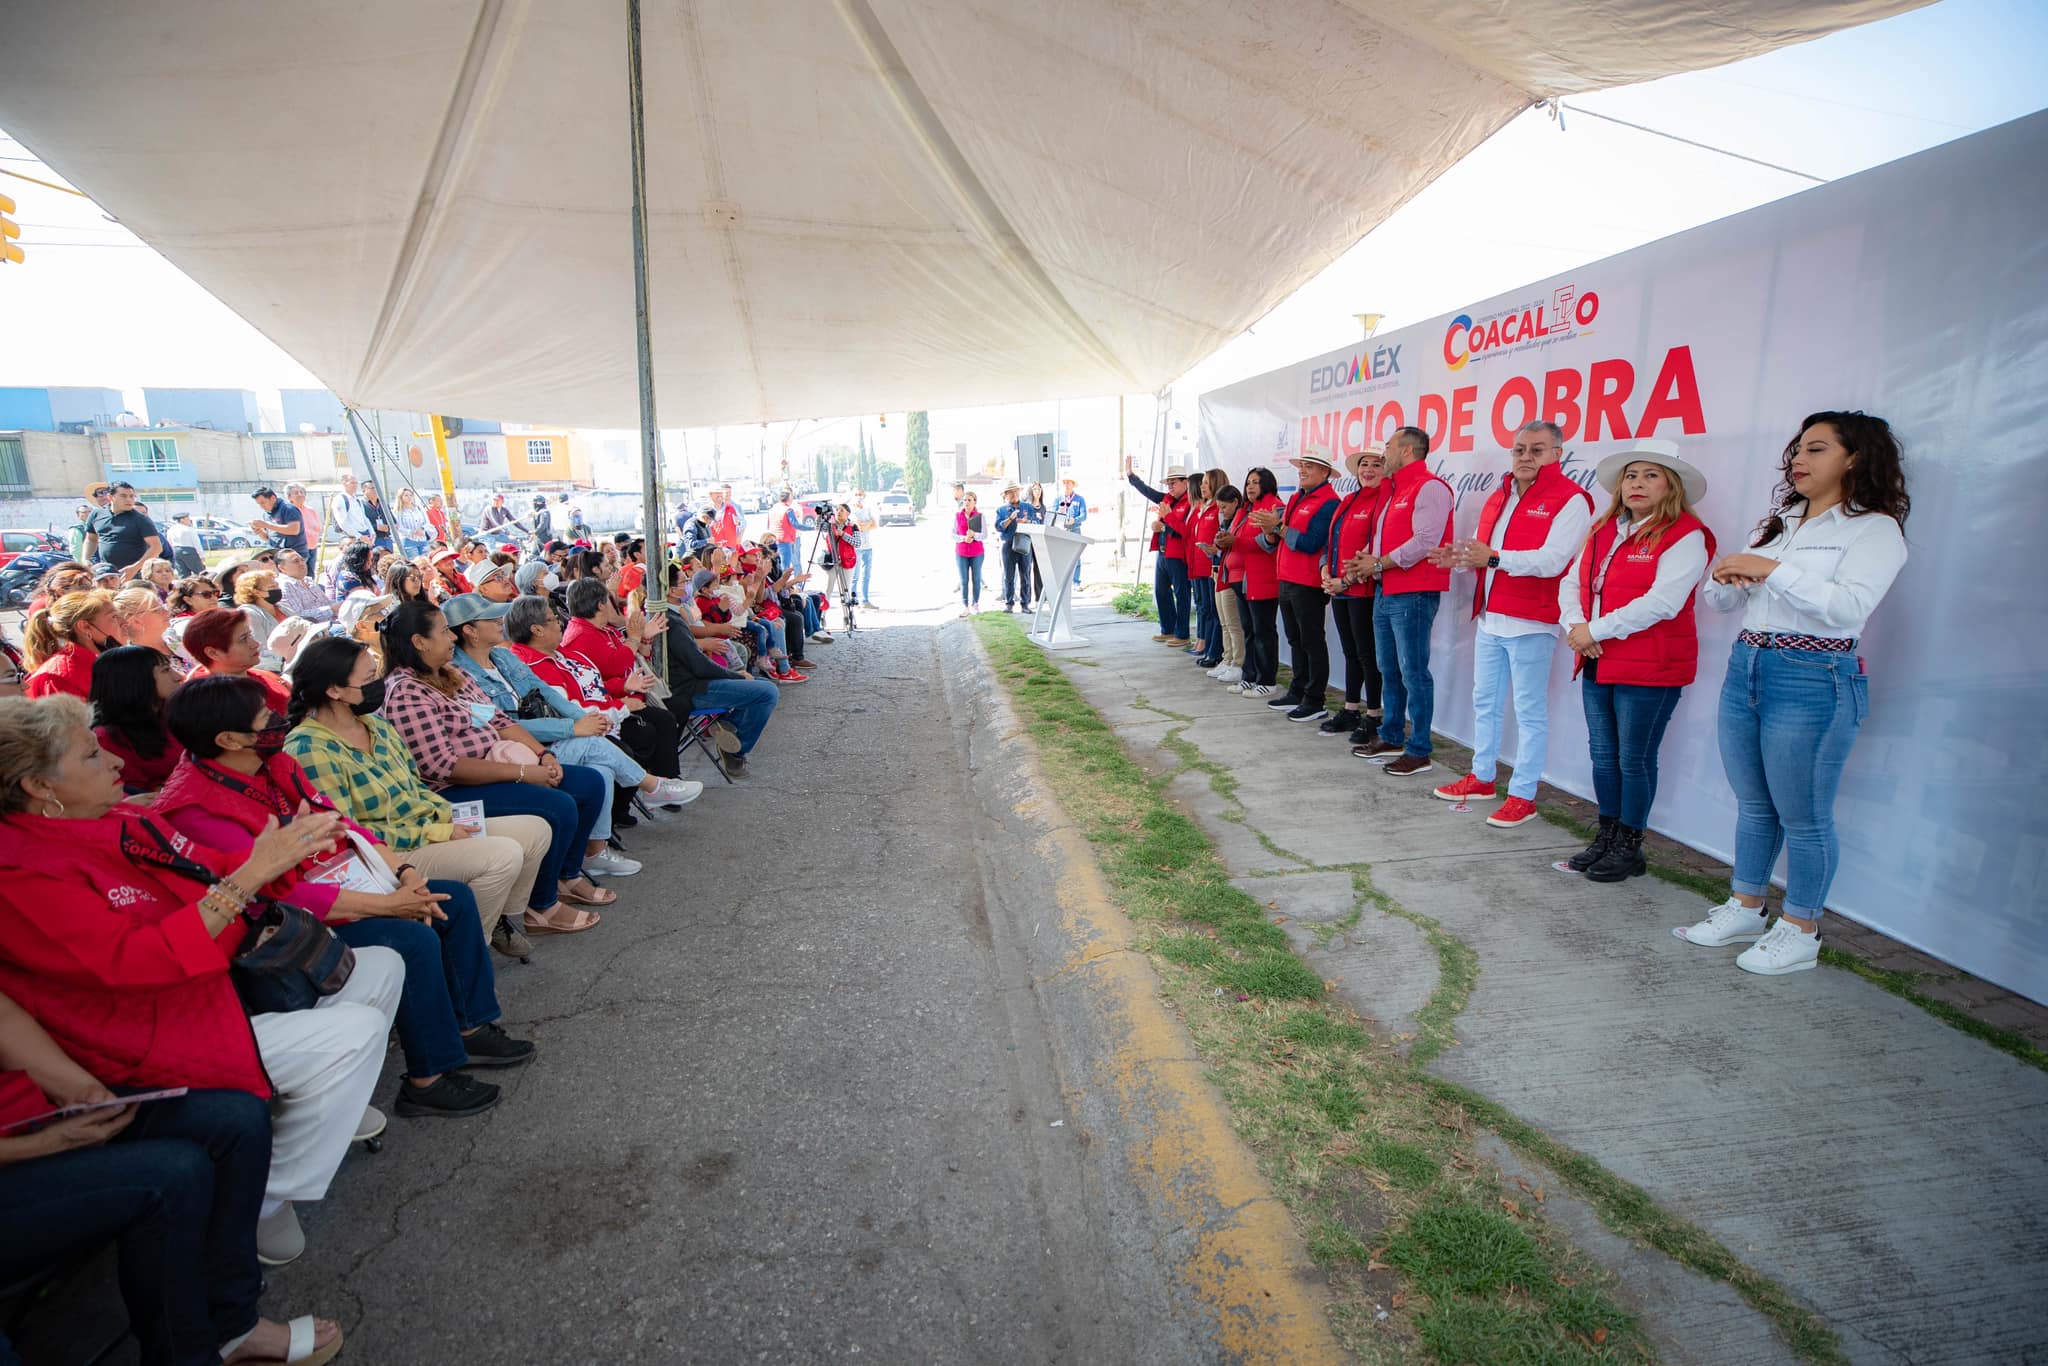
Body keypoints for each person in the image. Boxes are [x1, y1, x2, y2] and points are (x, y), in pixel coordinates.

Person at [0, 692, 400, 1276]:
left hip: (215, 990)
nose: (113, 762)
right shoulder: (22, 874)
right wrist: (256, 870)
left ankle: (305, 1129)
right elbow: (138, 963)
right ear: (40, 786)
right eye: (91, 756)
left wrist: (285, 854)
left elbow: (215, 866)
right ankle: (263, 1192)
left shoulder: (120, 819)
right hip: (145, 1039)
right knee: (356, 1031)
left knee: (384, 965)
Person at [155, 676, 529, 1119]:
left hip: (341, 880)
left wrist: (404, 873)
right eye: (264, 717)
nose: (279, 720)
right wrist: (390, 905)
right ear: (228, 738)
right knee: (411, 937)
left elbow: (343, 823)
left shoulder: (272, 763)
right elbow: (274, 894)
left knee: (453, 901)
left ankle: (470, 1026)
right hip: (277, 922)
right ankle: (428, 1077)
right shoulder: (198, 809)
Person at [1677, 411, 1911, 976]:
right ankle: (1746, 905)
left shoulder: (1874, 528)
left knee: (1804, 815)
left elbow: (1849, 608)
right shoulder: (1782, 520)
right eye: (1797, 450)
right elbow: (1725, 603)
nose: (1798, 460)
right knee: (1755, 803)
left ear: (1854, 458)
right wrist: (1727, 578)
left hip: (1813, 675)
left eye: (1816, 449)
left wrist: (1771, 569)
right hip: (1748, 664)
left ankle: (1802, 928)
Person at [0, 988, 345, 1366]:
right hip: (19, 1156)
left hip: (27, 1118)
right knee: (171, 1176)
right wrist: (50, 1142)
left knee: (238, 1122)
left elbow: (4, 1017)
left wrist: (81, 1091)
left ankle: (234, 1326)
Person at [285, 637, 553, 962]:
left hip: (424, 826)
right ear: (334, 691)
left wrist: (449, 818)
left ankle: (492, 919)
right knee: (503, 855)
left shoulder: (375, 725)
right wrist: (439, 832)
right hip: (393, 853)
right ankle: (469, 952)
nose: (377, 685)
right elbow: (352, 835)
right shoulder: (310, 750)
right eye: (368, 679)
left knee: (536, 830)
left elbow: (415, 788)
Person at [378, 601, 614, 933]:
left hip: (497, 765)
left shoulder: (451, 673)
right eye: (444, 631)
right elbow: (442, 766)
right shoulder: (406, 692)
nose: (451, 638)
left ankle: (566, 876)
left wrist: (543, 757)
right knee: (558, 805)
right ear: (419, 642)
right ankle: (541, 906)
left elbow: (500, 720)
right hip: (452, 793)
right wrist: (522, 773)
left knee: (588, 784)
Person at [1558, 440, 1716, 882]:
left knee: (1634, 758)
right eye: (1631, 475)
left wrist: (1595, 630)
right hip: (1598, 658)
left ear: (1672, 486)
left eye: (1651, 475)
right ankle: (1608, 836)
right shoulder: (1603, 528)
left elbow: (1662, 603)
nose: (1638, 484)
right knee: (1603, 756)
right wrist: (1576, 626)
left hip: (1651, 666)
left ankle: (1630, 844)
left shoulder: (1686, 535)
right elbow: (1572, 582)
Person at [448, 594, 698, 870]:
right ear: (469, 631)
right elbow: (502, 724)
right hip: (512, 754)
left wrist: (584, 719)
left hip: (542, 740)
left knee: (601, 770)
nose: (499, 622)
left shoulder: (502, 657)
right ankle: (651, 785)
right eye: (490, 618)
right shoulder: (459, 675)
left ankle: (594, 853)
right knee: (598, 743)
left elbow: (548, 694)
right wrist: (575, 726)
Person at [1427, 421, 1594, 826]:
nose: (1525, 457)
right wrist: (1464, 558)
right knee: (1484, 701)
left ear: (1557, 454)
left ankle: (1524, 795)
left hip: (1533, 622)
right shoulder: (1500, 494)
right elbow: (1487, 553)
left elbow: (1555, 560)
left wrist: (1494, 558)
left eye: (1536, 450)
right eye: (1519, 449)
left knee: (1529, 711)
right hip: (1491, 616)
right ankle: (1483, 776)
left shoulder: (1572, 499)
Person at [1349, 426, 1453, 777]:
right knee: (1389, 669)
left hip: (1414, 593)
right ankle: (1391, 736)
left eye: (1389, 446)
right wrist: (1366, 561)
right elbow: (1387, 541)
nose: (1384, 453)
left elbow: (1425, 541)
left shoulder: (1430, 487)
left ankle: (1419, 749)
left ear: (1407, 450)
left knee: (1413, 672)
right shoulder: (1395, 490)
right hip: (1386, 589)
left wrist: (1377, 563)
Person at [656, 577, 781, 778]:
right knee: (767, 692)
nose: (688, 583)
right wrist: (736, 676)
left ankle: (728, 726)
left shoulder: (672, 615)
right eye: (683, 581)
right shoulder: (671, 621)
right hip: (690, 689)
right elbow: (699, 665)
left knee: (762, 684)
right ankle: (736, 750)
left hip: (695, 682)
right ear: (671, 591)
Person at [1260, 451, 1340, 723]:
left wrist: (1278, 529)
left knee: (1311, 641)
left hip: (1308, 582)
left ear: (1325, 473)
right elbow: (1283, 538)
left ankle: (1315, 699)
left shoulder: (1329, 502)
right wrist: (1272, 531)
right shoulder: (1296, 497)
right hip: (1287, 577)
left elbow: (1310, 542)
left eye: (1310, 467)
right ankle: (1298, 690)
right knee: (1295, 639)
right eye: (1302, 466)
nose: (1303, 470)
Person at [1318, 446, 1387, 742]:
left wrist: (1346, 580)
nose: (1368, 470)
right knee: (1350, 652)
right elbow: (1331, 541)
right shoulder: (1349, 500)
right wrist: (1325, 571)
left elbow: (1377, 548)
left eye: (1375, 464)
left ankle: (1373, 715)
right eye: (1363, 465)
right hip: (1339, 588)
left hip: (1363, 590)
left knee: (1367, 654)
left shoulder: (1383, 501)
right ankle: (1350, 709)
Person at [90, 644, 185, 793]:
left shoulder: (173, 712)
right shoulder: (108, 738)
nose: (178, 677)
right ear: (136, 680)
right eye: (165, 670)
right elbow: (136, 795)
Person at [1227, 467, 1283, 698]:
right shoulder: (1246, 509)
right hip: (1242, 579)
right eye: (1248, 482)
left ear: (1267, 484)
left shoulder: (1274, 507)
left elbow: (1268, 542)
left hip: (1263, 579)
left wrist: (1236, 541)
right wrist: (1224, 541)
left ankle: (1267, 680)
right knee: (1249, 630)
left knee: (1264, 631)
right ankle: (1249, 676)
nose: (1250, 486)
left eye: (1256, 482)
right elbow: (1238, 538)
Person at [1124, 459, 1192, 646]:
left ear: (1185, 483)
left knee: (1182, 593)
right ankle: (1168, 629)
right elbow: (1148, 492)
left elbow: (1185, 531)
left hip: (1178, 554)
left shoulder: (1191, 503)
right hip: (1163, 552)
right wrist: (1131, 476)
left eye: (1174, 482)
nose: (1170, 486)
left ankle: (1183, 633)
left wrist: (1163, 526)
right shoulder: (1167, 499)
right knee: (1161, 591)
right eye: (1168, 483)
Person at [180, 608, 293, 720]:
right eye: (243, 639)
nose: (255, 644)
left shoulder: (266, 676)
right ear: (213, 653)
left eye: (250, 635)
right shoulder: (206, 704)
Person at [23, 589, 120, 700]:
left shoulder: (102, 662)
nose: (124, 623)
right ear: (85, 627)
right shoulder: (59, 677)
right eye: (114, 617)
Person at [1204, 484, 1246, 684]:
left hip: (1233, 576)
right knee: (1224, 622)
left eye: (1224, 507)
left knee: (1233, 623)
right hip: (1220, 572)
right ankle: (1227, 658)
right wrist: (1216, 546)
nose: (1221, 512)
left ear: (1235, 502)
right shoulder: (1227, 522)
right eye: (1219, 508)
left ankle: (1237, 662)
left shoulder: (1241, 519)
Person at [86, 481, 163, 575]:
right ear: (110, 497)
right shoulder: (97, 514)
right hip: (107, 573)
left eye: (132, 496)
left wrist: (135, 568)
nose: (129, 500)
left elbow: (156, 547)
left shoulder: (141, 519)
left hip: (136, 574)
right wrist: (85, 559)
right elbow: (91, 539)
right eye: (123, 496)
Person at [1187, 471, 1223, 666]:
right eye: (1201, 483)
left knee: (1213, 610)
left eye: (1207, 483)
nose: (1202, 487)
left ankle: (1213, 650)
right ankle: (1206, 646)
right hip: (1198, 564)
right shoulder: (1203, 507)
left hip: (1211, 566)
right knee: (1204, 607)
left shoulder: (1217, 508)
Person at [231, 570, 290, 671]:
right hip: (277, 665)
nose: (277, 589)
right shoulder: (249, 614)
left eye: (277, 585)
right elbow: (260, 649)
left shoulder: (284, 608)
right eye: (272, 587)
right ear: (256, 592)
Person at [996, 484, 1033, 613]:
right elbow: (999, 527)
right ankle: (1009, 603)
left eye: (1016, 491)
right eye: (1010, 492)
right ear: (1005, 495)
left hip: (1024, 543)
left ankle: (1025, 604)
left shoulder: (1028, 507)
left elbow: (1036, 523)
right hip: (1008, 544)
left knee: (1026, 575)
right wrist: (1010, 519)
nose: (1014, 494)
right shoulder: (1001, 510)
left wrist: (1027, 522)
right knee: (1009, 576)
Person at [274, 549, 334, 623]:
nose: (302, 563)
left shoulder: (307, 580)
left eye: (302, 560)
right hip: (312, 630)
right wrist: (332, 609)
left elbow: (326, 603)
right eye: (296, 561)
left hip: (330, 623)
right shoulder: (284, 585)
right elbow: (298, 616)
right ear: (282, 568)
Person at [248, 487, 308, 561]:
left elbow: (294, 530)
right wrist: (259, 530)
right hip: (276, 554)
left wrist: (266, 525)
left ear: (273, 498)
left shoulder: (288, 509)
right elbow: (268, 538)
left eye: (263, 502)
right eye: (259, 504)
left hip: (294, 555)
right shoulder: (266, 514)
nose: (261, 506)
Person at [954, 492, 985, 616]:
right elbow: (952, 534)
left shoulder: (980, 516)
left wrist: (974, 536)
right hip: (961, 552)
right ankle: (965, 606)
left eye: (969, 500)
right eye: (965, 500)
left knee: (976, 579)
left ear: (975, 502)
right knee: (964, 580)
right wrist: (963, 538)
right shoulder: (957, 516)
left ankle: (975, 604)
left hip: (977, 552)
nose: (966, 502)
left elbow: (985, 534)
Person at [287, 484, 324, 576]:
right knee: (300, 573)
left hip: (312, 546)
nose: (300, 494)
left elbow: (318, 526)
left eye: (302, 492)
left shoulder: (310, 510)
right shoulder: (289, 511)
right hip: (299, 548)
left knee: (311, 574)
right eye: (296, 493)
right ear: (289, 497)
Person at [327, 474, 374, 546]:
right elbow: (342, 522)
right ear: (344, 483)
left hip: (365, 534)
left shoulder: (357, 500)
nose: (355, 485)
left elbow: (364, 518)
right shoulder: (340, 499)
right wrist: (359, 536)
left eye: (356, 483)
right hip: (352, 537)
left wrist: (372, 532)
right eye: (352, 483)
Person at [850, 490, 878, 607]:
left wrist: (866, 524)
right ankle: (853, 600)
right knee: (855, 576)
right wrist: (868, 524)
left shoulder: (867, 509)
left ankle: (865, 600)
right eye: (856, 494)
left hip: (868, 547)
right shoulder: (852, 511)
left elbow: (875, 525)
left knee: (866, 575)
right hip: (857, 547)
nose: (859, 497)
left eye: (860, 495)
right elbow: (858, 527)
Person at [164, 510, 207, 576]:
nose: (189, 520)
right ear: (182, 520)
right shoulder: (189, 529)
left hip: (176, 551)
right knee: (200, 572)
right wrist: (201, 555)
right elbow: (196, 543)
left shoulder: (171, 529)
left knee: (183, 574)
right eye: (187, 518)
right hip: (189, 551)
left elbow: (169, 543)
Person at [391, 487, 429, 557]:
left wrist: (423, 529)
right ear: (401, 497)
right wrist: (412, 532)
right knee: (414, 563)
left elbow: (427, 522)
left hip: (422, 539)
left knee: (426, 562)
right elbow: (398, 527)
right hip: (408, 540)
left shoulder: (419, 508)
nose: (409, 497)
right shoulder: (398, 511)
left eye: (410, 495)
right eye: (406, 495)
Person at [357, 481, 393, 551]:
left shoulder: (383, 504)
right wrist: (376, 527)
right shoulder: (360, 505)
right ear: (364, 491)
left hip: (386, 539)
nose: (376, 490)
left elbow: (392, 520)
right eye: (372, 488)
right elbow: (360, 523)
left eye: (377, 488)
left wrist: (390, 525)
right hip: (372, 540)